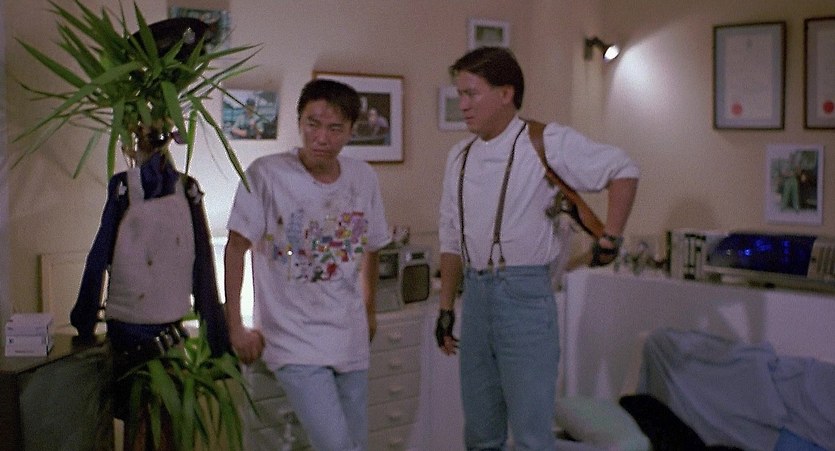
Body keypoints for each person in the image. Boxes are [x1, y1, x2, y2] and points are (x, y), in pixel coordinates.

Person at [435, 46, 639, 450]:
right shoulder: (459, 156)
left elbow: (623, 169)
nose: (463, 105)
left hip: (524, 295)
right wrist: (445, 309)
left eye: (472, 94)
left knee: (531, 434)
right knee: (480, 433)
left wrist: (611, 236)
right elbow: (450, 236)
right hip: (475, 295)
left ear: (505, 93)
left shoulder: (544, 141)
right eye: (460, 94)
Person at [224, 78, 390, 451]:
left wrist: (369, 310)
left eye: (335, 128)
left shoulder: (362, 177)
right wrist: (235, 326)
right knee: (336, 445)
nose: (321, 138)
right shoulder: (266, 174)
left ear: (351, 131)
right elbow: (235, 248)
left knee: (356, 444)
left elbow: (373, 245)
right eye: (312, 124)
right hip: (293, 339)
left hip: (349, 336)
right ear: (299, 122)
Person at [70, 126, 231, 450]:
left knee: (145, 424)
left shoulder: (144, 188)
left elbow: (99, 255)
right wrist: (217, 342)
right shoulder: (181, 189)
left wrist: (84, 320)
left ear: (132, 146)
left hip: (139, 334)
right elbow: (203, 268)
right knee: (162, 423)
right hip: (157, 334)